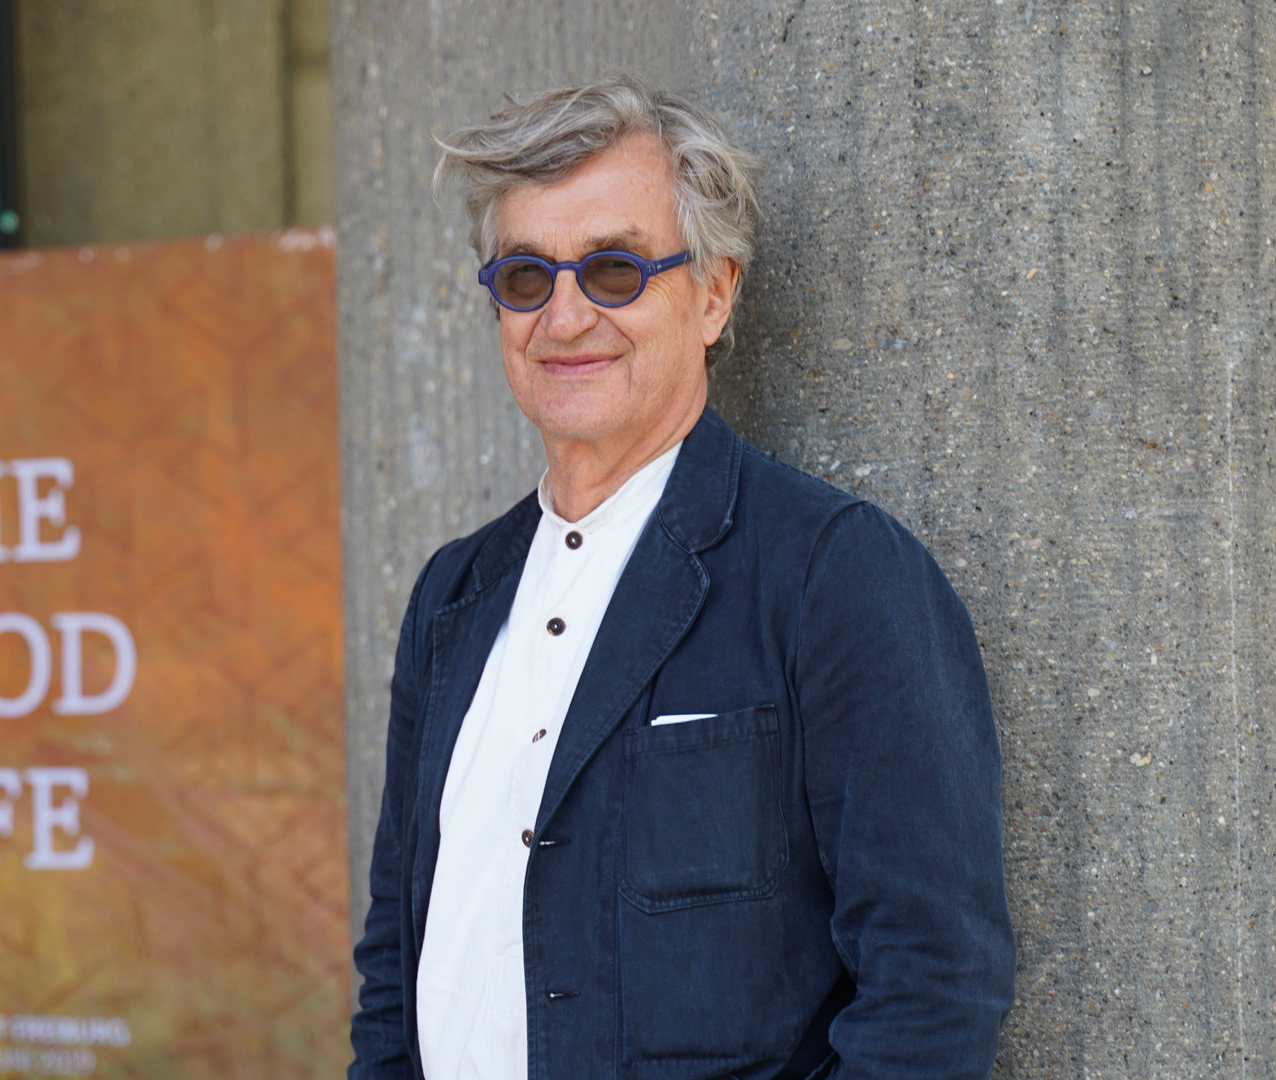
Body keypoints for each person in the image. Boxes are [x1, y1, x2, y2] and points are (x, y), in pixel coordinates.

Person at [347, 74, 1015, 1080]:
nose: (563, 318)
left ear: (713, 293)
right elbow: (397, 971)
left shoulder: (832, 575)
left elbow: (934, 982)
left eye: (615, 270)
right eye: (526, 278)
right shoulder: (454, 598)